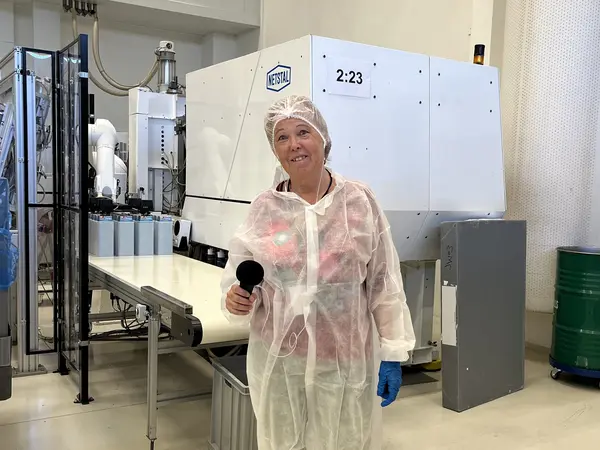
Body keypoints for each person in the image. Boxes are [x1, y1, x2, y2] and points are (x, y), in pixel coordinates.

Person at [221, 95, 416, 450]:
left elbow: (383, 282)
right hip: (281, 363)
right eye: (282, 137)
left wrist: (392, 352)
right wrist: (237, 298)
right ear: (275, 150)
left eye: (303, 132)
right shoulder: (265, 209)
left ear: (323, 139)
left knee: (344, 442)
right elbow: (241, 278)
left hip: (343, 362)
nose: (294, 144)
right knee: (284, 443)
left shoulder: (358, 202)